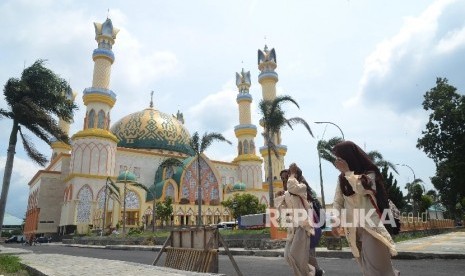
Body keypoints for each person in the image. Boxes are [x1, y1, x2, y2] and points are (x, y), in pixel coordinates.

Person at [331, 141, 399, 276]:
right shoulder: (342, 179)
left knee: (376, 269)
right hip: (353, 229)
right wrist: (335, 219)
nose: (337, 161)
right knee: (366, 269)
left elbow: (362, 189)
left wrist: (348, 172)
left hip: (371, 226)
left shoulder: (369, 174)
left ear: (348, 157)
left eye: (340, 157)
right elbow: (338, 201)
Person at [275, 163, 315, 276]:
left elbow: (292, 187)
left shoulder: (302, 188)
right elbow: (282, 213)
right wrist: (279, 197)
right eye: (282, 178)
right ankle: (313, 272)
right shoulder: (287, 194)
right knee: (288, 256)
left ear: (294, 176)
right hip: (292, 228)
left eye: (286, 177)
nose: (284, 180)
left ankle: (311, 273)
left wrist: (292, 174)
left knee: (294, 255)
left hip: (303, 226)